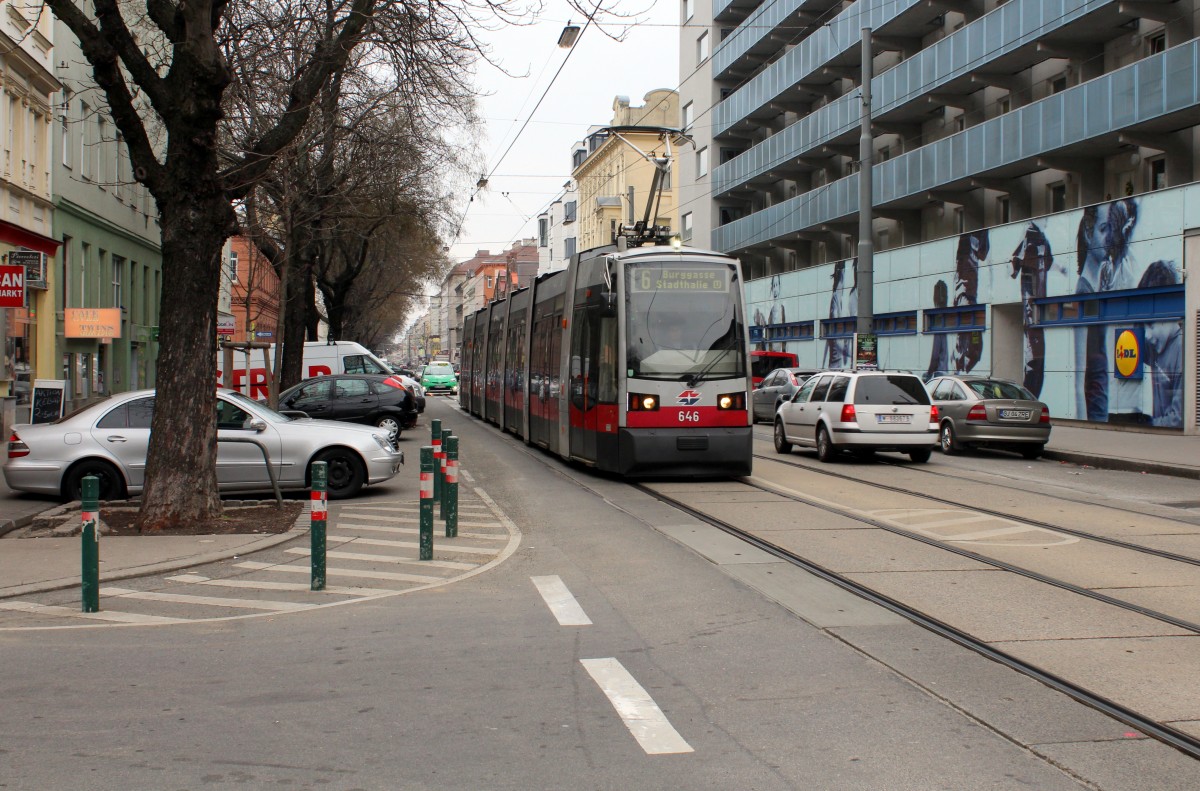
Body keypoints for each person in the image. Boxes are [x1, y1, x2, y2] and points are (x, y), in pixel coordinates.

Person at [1074, 198, 1138, 422]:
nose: (1109, 237)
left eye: (1111, 228)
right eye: (1103, 229)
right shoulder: (1084, 292)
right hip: (1095, 411)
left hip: (1101, 406)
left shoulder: (1098, 285)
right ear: (1087, 234)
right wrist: (1084, 425)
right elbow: (1079, 372)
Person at [1009, 223, 1052, 396]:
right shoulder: (1033, 238)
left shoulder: (1035, 240)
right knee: (1035, 354)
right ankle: (1029, 396)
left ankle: (1029, 397)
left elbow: (1013, 268)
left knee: (1035, 354)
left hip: (1035, 310)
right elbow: (1013, 267)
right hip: (1033, 309)